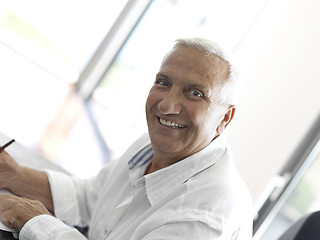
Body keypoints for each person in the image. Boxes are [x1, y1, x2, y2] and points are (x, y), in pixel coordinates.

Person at [0, 38, 253, 240]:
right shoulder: (151, 146)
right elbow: (90, 199)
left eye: (195, 93)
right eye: (163, 83)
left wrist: (37, 222)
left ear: (225, 119)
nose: (166, 105)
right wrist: (14, 175)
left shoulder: (206, 215)